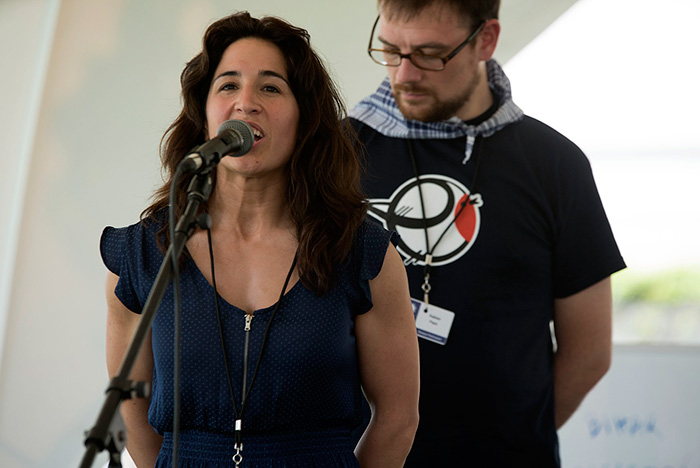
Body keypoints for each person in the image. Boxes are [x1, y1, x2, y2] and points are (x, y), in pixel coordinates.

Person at [101, 11, 419, 468]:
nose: (245, 102)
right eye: (227, 85)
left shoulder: (361, 253)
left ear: (303, 116)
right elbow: (130, 406)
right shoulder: (140, 255)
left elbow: (397, 417)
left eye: (270, 87)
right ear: (204, 114)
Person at [348, 0, 626, 466]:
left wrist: (512, 440)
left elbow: (589, 351)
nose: (404, 75)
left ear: (487, 40)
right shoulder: (335, 156)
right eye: (391, 50)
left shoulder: (555, 164)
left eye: (431, 54)